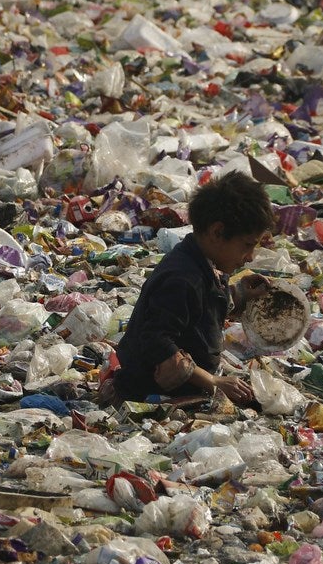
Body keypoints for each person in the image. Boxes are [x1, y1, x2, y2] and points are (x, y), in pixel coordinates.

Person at [107, 171, 276, 406]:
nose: (250, 257)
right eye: (247, 245)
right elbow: (156, 340)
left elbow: (202, 310)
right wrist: (213, 382)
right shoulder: (182, 279)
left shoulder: (203, 264)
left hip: (187, 384)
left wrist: (241, 295)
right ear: (217, 232)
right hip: (150, 390)